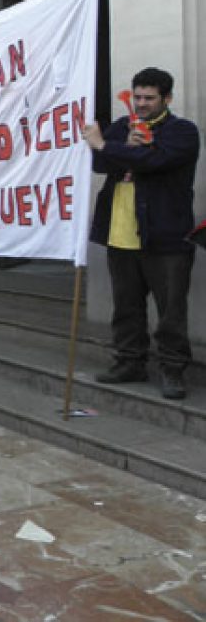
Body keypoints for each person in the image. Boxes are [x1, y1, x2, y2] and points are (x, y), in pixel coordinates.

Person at [84, 67, 200, 399]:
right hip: (120, 234)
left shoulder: (183, 131)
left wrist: (110, 147)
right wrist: (116, 148)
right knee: (126, 307)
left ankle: (172, 370)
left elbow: (154, 160)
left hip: (165, 237)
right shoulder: (123, 127)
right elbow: (99, 163)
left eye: (149, 98)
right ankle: (129, 362)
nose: (141, 103)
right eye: (137, 97)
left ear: (167, 99)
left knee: (170, 312)